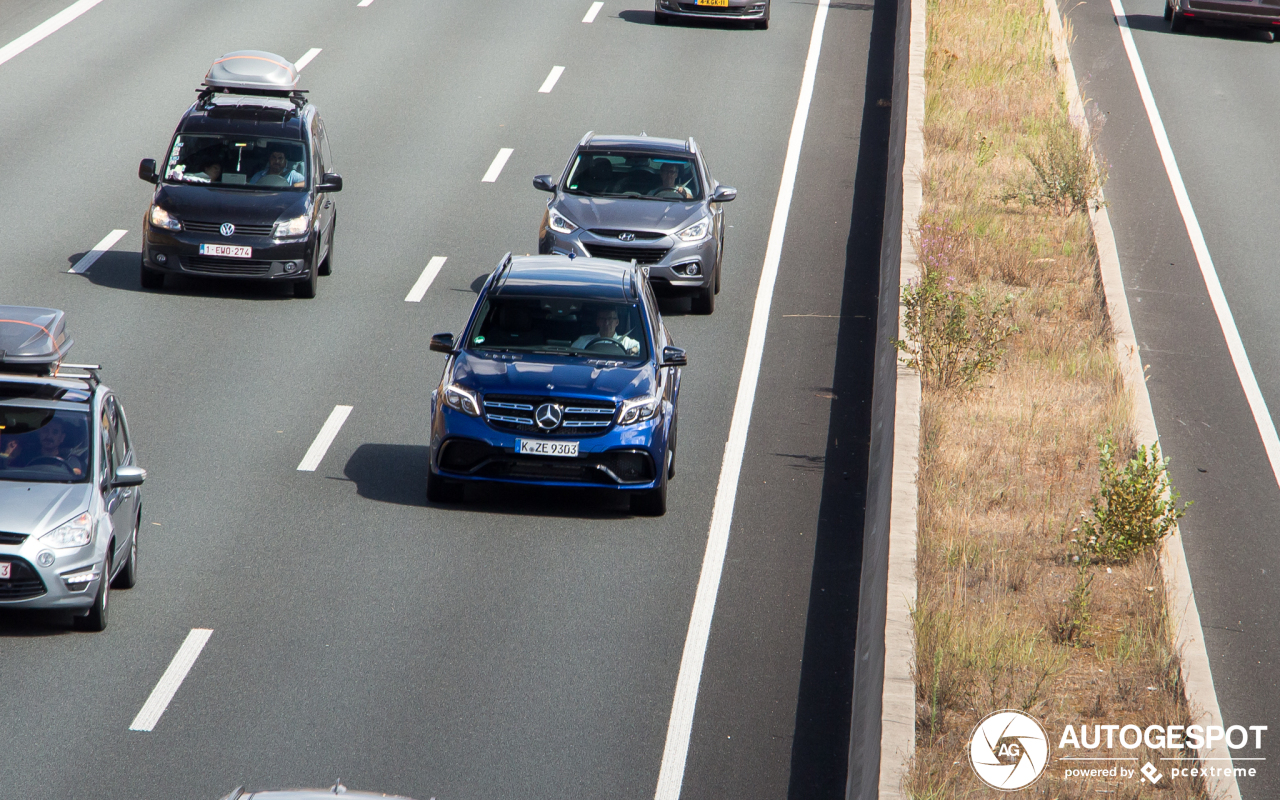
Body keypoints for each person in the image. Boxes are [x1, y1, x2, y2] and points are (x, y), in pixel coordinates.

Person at [572, 307, 640, 355]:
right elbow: (571, 354)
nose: (606, 323)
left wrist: (635, 350)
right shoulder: (583, 341)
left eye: (610, 319)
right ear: (597, 322)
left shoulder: (626, 342)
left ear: (617, 322)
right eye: (602, 319)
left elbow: (642, 348)